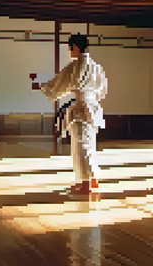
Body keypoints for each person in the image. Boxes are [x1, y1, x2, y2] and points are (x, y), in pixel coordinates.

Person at [32, 33, 108, 195]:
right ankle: (90, 180)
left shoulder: (76, 66)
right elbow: (102, 90)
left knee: (80, 145)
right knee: (89, 145)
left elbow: (60, 84)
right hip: (93, 107)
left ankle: (86, 183)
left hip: (81, 107)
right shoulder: (96, 66)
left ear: (75, 47)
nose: (69, 52)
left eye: (69, 48)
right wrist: (92, 99)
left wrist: (42, 86)